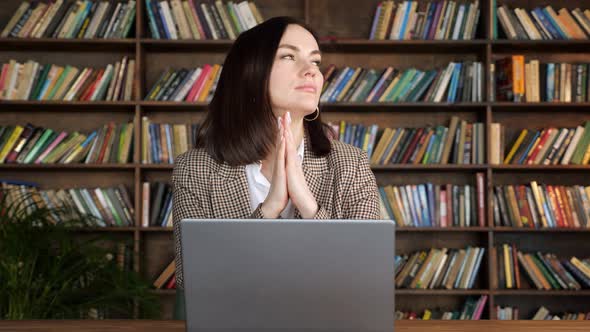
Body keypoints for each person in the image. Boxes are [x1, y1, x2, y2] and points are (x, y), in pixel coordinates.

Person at [171, 16, 381, 317]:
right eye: (288, 56)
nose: (311, 70)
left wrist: (308, 205)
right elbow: (192, 280)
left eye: (315, 61)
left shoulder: (352, 164)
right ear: (250, 72)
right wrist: (268, 210)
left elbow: (365, 280)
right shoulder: (194, 169)